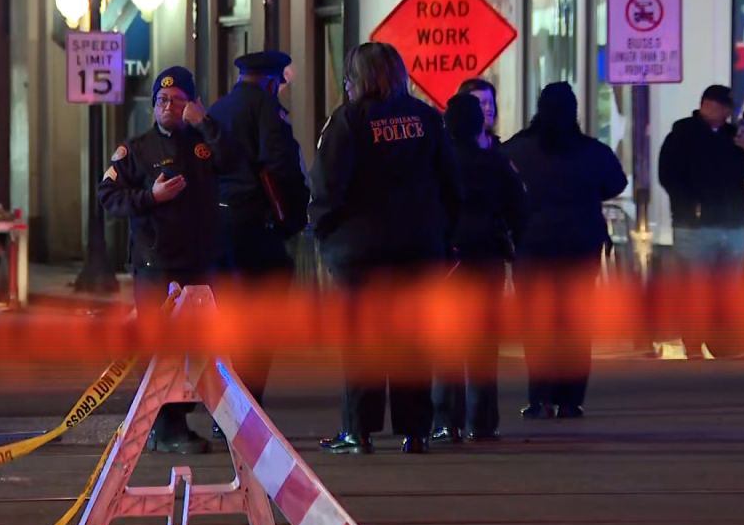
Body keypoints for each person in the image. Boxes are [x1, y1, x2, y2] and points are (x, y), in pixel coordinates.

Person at [309, 42, 461, 454]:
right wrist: (445, 237)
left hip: (362, 254)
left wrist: (322, 232)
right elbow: (451, 183)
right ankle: (416, 431)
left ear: (356, 79)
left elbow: (327, 186)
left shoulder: (348, 121)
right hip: (418, 249)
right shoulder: (427, 119)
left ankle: (360, 430)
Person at [98, 66, 232, 454]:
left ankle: (180, 418)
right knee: (163, 348)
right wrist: (150, 198)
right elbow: (108, 195)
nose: (168, 106)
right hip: (156, 264)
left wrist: (205, 122)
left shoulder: (203, 143)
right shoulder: (136, 150)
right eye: (161, 100)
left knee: (199, 346)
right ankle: (166, 426)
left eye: (177, 100)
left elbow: (235, 161)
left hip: (200, 262)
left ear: (192, 103)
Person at [502, 82, 627, 420]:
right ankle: (570, 399)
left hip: (532, 246)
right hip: (580, 246)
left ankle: (539, 397)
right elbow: (616, 182)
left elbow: (500, 184)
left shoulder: (517, 150)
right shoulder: (591, 151)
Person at [205, 50, 309, 432]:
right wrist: (293, 216)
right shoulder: (267, 109)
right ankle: (247, 409)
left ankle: (224, 412)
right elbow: (280, 164)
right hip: (255, 226)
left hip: (218, 227)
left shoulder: (218, 110)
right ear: (269, 80)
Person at [431, 92, 527, 443]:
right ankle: (483, 421)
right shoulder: (496, 163)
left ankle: (446, 420)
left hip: (446, 262)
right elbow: (518, 208)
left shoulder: (436, 165)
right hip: (486, 258)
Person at [658, 84, 744, 358]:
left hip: (732, 224)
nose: (725, 113)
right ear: (706, 105)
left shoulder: (733, 137)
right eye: (720, 106)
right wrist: (690, 206)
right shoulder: (682, 135)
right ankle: (693, 343)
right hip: (694, 226)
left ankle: (722, 344)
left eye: (727, 108)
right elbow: (668, 176)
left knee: (727, 291)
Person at [457, 77, 501, 148]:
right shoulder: (452, 148)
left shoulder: (500, 147)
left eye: (491, 103)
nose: (488, 108)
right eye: (483, 103)